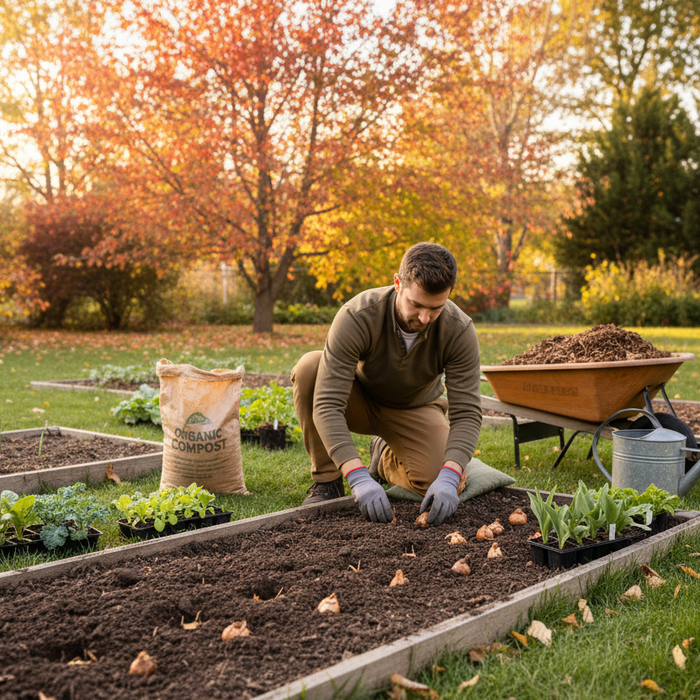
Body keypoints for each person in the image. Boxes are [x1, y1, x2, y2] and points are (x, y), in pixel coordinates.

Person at [291, 242, 482, 525]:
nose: (424, 317)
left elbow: (467, 412)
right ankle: (327, 481)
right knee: (309, 368)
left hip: (416, 407)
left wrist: (450, 473)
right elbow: (328, 402)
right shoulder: (358, 315)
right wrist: (356, 476)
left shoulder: (459, 330)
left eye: (436, 308)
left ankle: (382, 457)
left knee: (433, 482)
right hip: (358, 400)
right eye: (416, 305)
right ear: (397, 283)